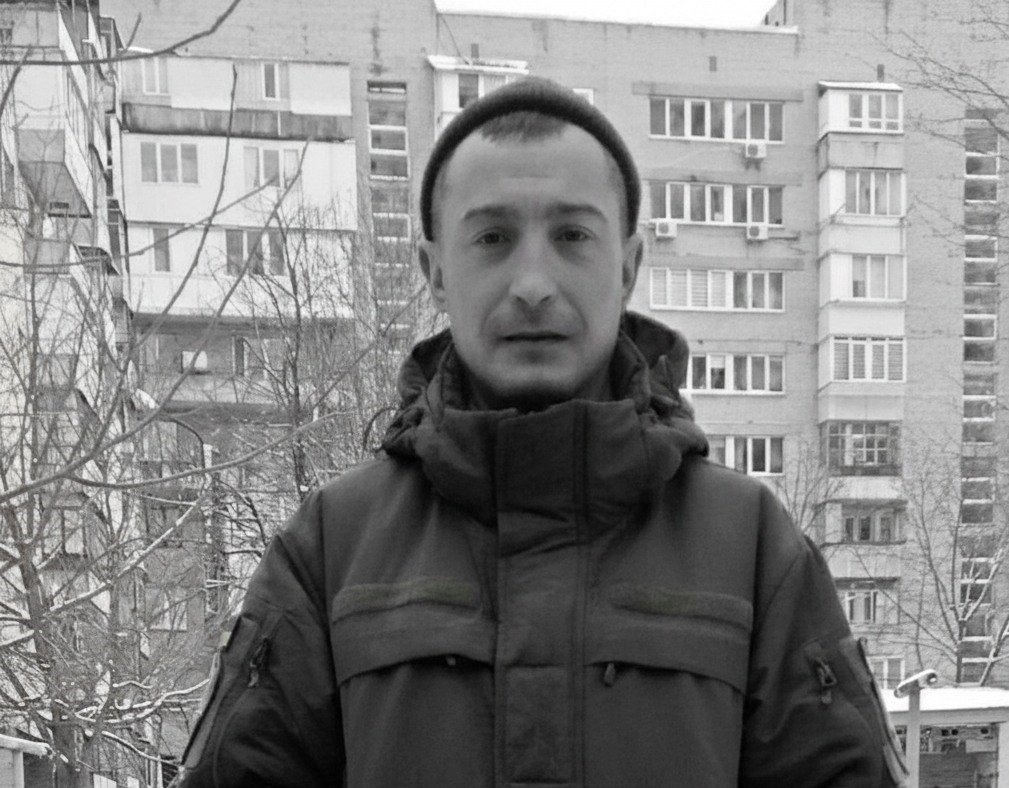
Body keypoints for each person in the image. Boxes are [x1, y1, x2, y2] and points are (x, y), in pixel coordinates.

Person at [176, 77, 909, 787]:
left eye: (572, 235)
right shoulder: (334, 546)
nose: (532, 283)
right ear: (434, 272)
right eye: (492, 237)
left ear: (628, 266)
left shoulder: (750, 547)